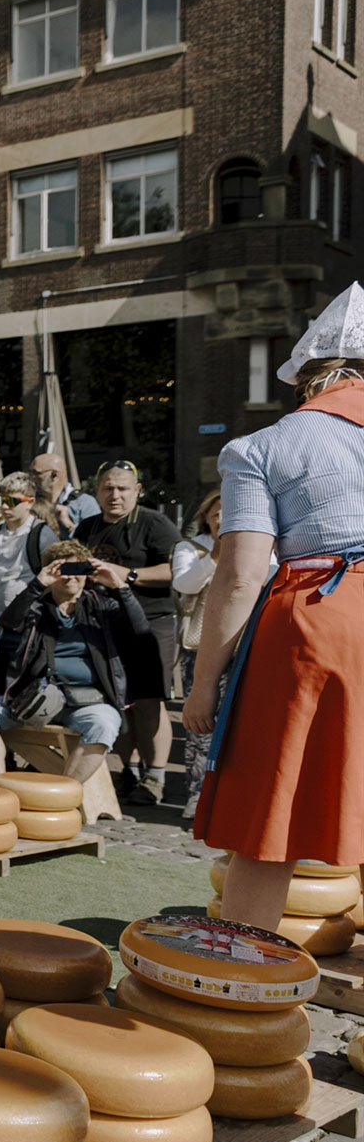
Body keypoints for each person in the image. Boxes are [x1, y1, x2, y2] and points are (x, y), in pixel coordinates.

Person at [186, 297, 364, 930]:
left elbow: (239, 575)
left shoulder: (264, 446)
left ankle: (243, 971)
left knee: (273, 812)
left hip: (316, 620)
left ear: (313, 374)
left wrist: (204, 682)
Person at [0, 541, 146, 786]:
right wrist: (37, 585)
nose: (70, 576)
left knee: (104, 724)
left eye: (77, 568)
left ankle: (62, 794)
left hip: (87, 702)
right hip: (33, 698)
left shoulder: (102, 606)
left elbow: (140, 628)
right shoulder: (37, 608)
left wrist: (119, 586)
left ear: (87, 573)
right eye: (62, 569)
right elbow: (9, 622)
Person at [73, 460, 179, 806]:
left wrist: (127, 575)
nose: (114, 495)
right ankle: (127, 770)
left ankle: (156, 776)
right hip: (103, 623)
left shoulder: (153, 522)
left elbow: (176, 570)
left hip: (149, 621)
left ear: (137, 491)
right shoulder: (86, 527)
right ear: (96, 491)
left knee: (149, 698)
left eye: (122, 488)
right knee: (117, 699)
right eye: (107, 487)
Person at [171, 490, 224, 820]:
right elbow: (185, 584)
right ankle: (196, 793)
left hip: (247, 645)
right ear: (206, 517)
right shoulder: (190, 548)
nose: (223, 520)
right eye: (217, 514)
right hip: (200, 646)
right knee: (198, 723)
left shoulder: (260, 545)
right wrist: (217, 554)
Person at [0, 472, 57, 619]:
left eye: (11, 501)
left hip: (28, 618)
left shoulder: (41, 534)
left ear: (30, 502)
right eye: (0, 500)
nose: (3, 506)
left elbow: (52, 580)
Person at [31, 451, 100, 536]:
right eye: (30, 472)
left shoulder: (84, 503)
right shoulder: (30, 501)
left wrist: (68, 524)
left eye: (36, 473)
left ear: (54, 475)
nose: (32, 477)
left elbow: (93, 539)